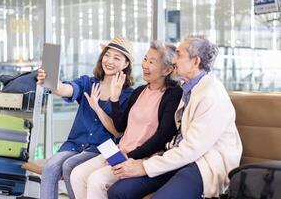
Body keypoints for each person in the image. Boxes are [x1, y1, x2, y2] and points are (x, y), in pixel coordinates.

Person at [107, 35, 243, 199]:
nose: (173, 61)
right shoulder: (188, 89)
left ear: (195, 61)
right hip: (178, 157)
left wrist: (144, 166)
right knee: (118, 192)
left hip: (202, 163)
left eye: (179, 55)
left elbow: (192, 149)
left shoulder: (211, 95)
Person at [70, 40, 183, 199]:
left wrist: (131, 156)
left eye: (152, 61)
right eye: (145, 59)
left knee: (96, 180)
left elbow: (163, 135)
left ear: (168, 69)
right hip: (119, 151)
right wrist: (115, 100)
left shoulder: (174, 95)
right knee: (77, 174)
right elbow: (120, 126)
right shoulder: (139, 91)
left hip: (142, 157)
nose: (145, 65)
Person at [37, 36, 135, 199]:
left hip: (103, 149)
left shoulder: (128, 95)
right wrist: (50, 80)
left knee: (69, 166)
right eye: (107, 55)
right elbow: (66, 89)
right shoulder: (88, 83)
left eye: (116, 58)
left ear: (126, 64)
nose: (109, 61)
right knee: (50, 166)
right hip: (76, 144)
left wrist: (97, 107)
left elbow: (118, 132)